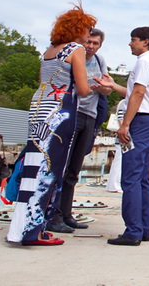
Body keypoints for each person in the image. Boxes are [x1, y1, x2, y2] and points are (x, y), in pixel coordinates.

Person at [6, 4, 96, 246]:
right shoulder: (75, 49)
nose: (89, 35)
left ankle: (20, 229)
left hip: (39, 108)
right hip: (60, 111)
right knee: (51, 169)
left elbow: (44, 82)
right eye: (87, 29)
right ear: (77, 29)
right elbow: (83, 89)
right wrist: (99, 87)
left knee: (32, 167)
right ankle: (34, 231)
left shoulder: (49, 51)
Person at [95, 26, 149, 246]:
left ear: (145, 41)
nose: (130, 43)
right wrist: (113, 85)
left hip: (140, 121)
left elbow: (138, 93)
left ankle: (132, 231)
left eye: (133, 39)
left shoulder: (144, 62)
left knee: (130, 178)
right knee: (142, 177)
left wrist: (125, 124)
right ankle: (143, 228)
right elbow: (137, 94)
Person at [48, 27, 112, 234]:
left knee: (74, 169)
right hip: (72, 113)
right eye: (88, 42)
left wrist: (103, 88)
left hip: (90, 116)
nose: (90, 46)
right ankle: (53, 215)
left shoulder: (100, 61)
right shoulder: (73, 55)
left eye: (95, 43)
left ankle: (66, 214)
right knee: (62, 166)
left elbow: (107, 88)